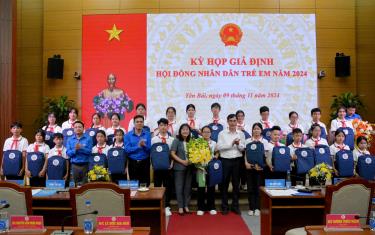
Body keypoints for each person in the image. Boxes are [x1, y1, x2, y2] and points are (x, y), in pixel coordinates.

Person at [217, 114, 245, 215]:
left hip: (237, 160)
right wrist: (231, 144)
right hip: (225, 160)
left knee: (236, 184)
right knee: (224, 184)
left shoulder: (241, 133)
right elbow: (219, 147)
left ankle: (235, 206)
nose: (233, 123)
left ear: (237, 122)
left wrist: (238, 145)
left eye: (234, 121)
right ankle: (224, 206)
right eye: (231, 121)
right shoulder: (222, 133)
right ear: (227, 122)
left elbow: (243, 148)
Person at [151, 118, 174, 217]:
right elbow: (151, 154)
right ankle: (157, 205)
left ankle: (167, 206)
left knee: (167, 186)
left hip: (168, 167)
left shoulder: (172, 139)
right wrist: (152, 164)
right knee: (157, 186)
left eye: (165, 125)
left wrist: (172, 163)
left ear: (167, 126)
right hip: (157, 168)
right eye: (161, 125)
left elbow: (173, 153)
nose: (163, 127)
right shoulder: (154, 139)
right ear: (158, 127)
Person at [245, 123, 268, 217]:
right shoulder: (247, 141)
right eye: (254, 129)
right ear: (252, 130)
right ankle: (251, 208)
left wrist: (263, 165)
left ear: (261, 130)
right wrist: (246, 163)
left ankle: (258, 208)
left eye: (258, 129)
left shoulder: (265, 142)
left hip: (260, 169)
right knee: (250, 188)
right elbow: (245, 154)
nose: (256, 130)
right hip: (249, 168)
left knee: (258, 188)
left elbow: (266, 156)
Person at [170, 124, 193, 215]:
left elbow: (195, 153)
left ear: (189, 131)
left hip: (190, 167)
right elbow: (172, 153)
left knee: (188, 187)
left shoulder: (192, 141)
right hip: (179, 167)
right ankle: (180, 207)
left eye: (187, 129)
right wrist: (182, 161)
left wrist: (191, 160)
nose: (185, 131)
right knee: (179, 187)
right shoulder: (176, 140)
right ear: (180, 131)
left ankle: (186, 206)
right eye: (183, 129)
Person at [197, 126, 219, 216]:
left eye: (208, 132)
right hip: (201, 168)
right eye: (204, 132)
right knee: (201, 188)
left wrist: (215, 157)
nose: (206, 133)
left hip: (211, 169)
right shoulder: (197, 142)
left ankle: (212, 207)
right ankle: (201, 207)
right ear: (201, 133)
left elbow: (217, 152)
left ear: (211, 133)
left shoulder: (214, 143)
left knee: (211, 188)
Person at [124, 115, 151, 185]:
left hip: (145, 162)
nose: (139, 123)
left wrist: (144, 146)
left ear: (143, 123)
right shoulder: (128, 135)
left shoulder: (147, 134)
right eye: (137, 122)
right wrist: (138, 146)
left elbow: (150, 150)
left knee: (145, 185)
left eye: (141, 122)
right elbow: (127, 150)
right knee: (134, 185)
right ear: (134, 123)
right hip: (132, 163)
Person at [66, 121, 93, 185]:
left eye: (80, 127)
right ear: (73, 129)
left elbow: (89, 152)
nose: (78, 128)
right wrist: (75, 150)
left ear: (83, 128)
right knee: (75, 185)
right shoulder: (70, 139)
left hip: (86, 165)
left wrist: (81, 148)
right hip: (74, 165)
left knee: (86, 185)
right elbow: (68, 153)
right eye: (76, 127)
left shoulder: (88, 138)